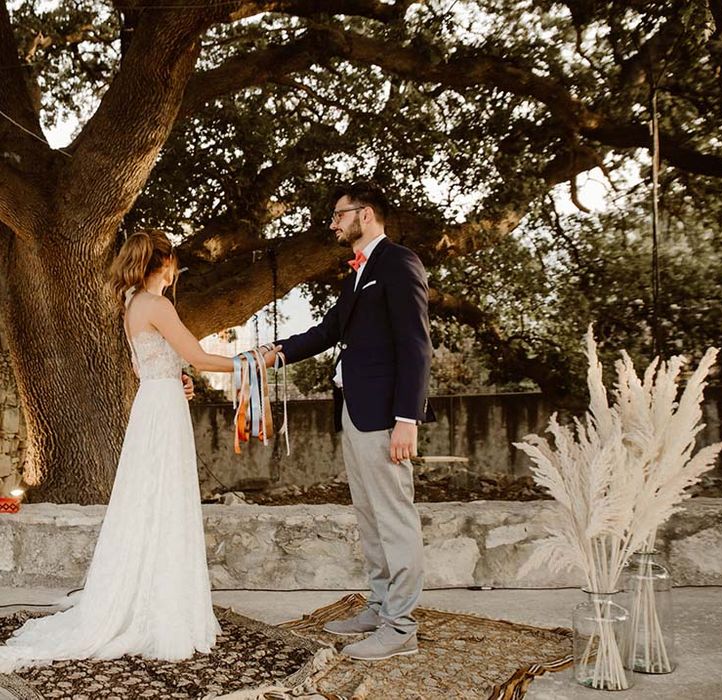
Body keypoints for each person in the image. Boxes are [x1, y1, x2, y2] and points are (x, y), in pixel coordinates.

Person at [0, 229, 249, 672]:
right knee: (164, 501)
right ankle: (161, 607)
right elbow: (199, 354)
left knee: (150, 500)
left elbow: (147, 365)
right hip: (161, 411)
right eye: (176, 265)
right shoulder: (158, 303)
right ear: (166, 263)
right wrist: (255, 361)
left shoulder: (133, 304)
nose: (177, 273)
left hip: (153, 404)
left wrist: (177, 379)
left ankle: (145, 595)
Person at [262, 181, 435, 661]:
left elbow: (416, 345)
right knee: (370, 517)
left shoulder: (398, 263)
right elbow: (328, 330)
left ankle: (402, 627)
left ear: (367, 214)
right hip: (354, 410)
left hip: (385, 415)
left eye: (340, 214)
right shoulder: (356, 274)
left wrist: (408, 419)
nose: (334, 224)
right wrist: (272, 353)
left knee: (394, 518)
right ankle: (380, 607)